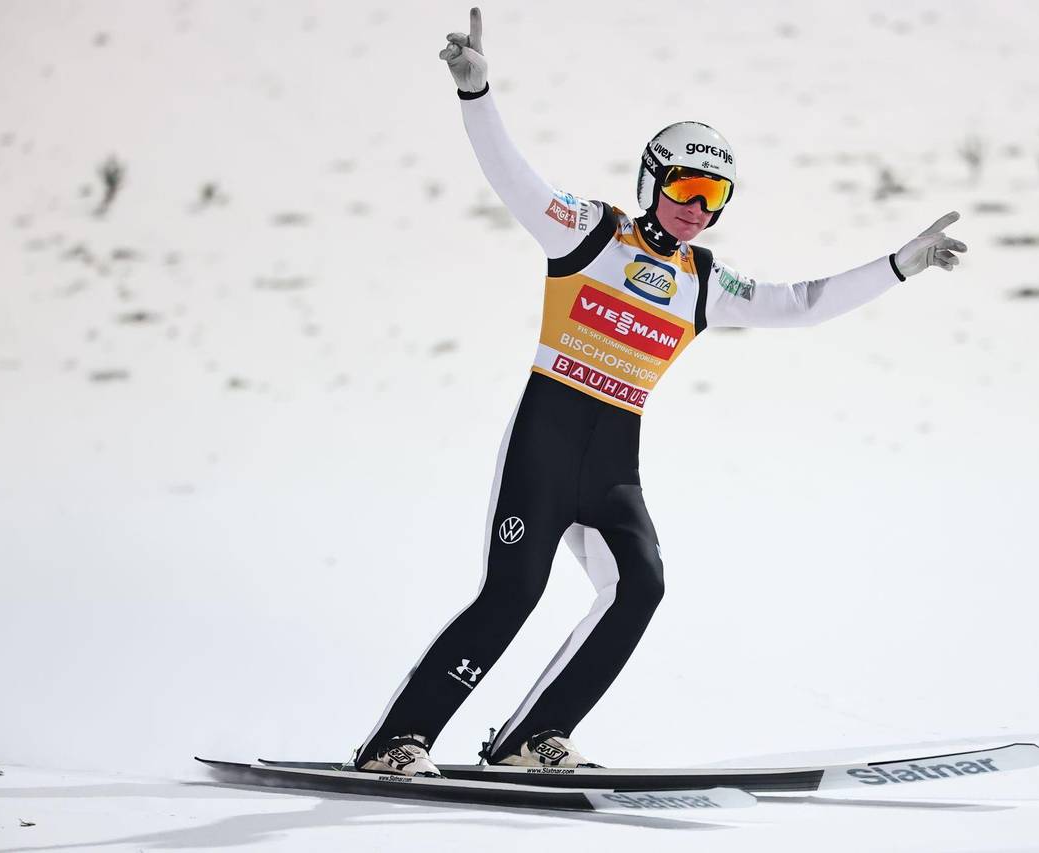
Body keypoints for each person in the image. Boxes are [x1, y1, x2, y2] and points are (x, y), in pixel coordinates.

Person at [354, 7, 968, 777]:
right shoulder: (588, 232)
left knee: (639, 586)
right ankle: (396, 741)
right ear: (654, 179)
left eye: (715, 195)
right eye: (686, 184)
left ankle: (531, 738)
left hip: (612, 460)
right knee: (513, 592)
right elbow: (514, 178)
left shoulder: (705, 281)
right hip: (547, 439)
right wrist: (476, 94)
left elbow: (803, 304)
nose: (697, 206)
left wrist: (900, 264)